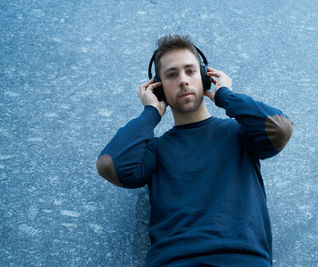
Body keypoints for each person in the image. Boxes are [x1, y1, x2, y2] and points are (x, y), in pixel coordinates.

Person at [96, 34, 294, 266]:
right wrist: (150, 112)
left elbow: (279, 128)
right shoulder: (156, 150)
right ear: (159, 89)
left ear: (205, 77)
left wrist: (225, 95)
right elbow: (110, 164)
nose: (183, 80)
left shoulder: (239, 134)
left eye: (190, 71)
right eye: (172, 74)